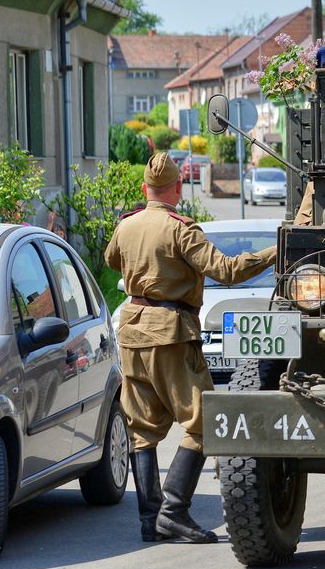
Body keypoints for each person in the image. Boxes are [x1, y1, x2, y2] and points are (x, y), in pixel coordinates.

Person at [105, 152, 277, 544]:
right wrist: (273, 252)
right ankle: (173, 512)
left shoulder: (127, 226)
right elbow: (228, 271)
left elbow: (113, 260)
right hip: (171, 333)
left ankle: (150, 520)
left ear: (144, 188)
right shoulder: (181, 229)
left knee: (142, 429)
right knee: (203, 423)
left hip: (132, 331)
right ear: (178, 187)